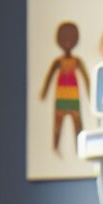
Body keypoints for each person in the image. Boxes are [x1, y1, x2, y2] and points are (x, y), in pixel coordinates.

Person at [39, 21, 90, 153]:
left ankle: (81, 149)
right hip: (61, 97)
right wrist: (44, 93)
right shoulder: (58, 61)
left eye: (71, 39)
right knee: (57, 125)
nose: (67, 42)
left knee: (78, 125)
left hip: (73, 97)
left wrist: (91, 94)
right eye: (64, 39)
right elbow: (49, 76)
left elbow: (86, 78)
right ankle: (55, 149)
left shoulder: (77, 61)